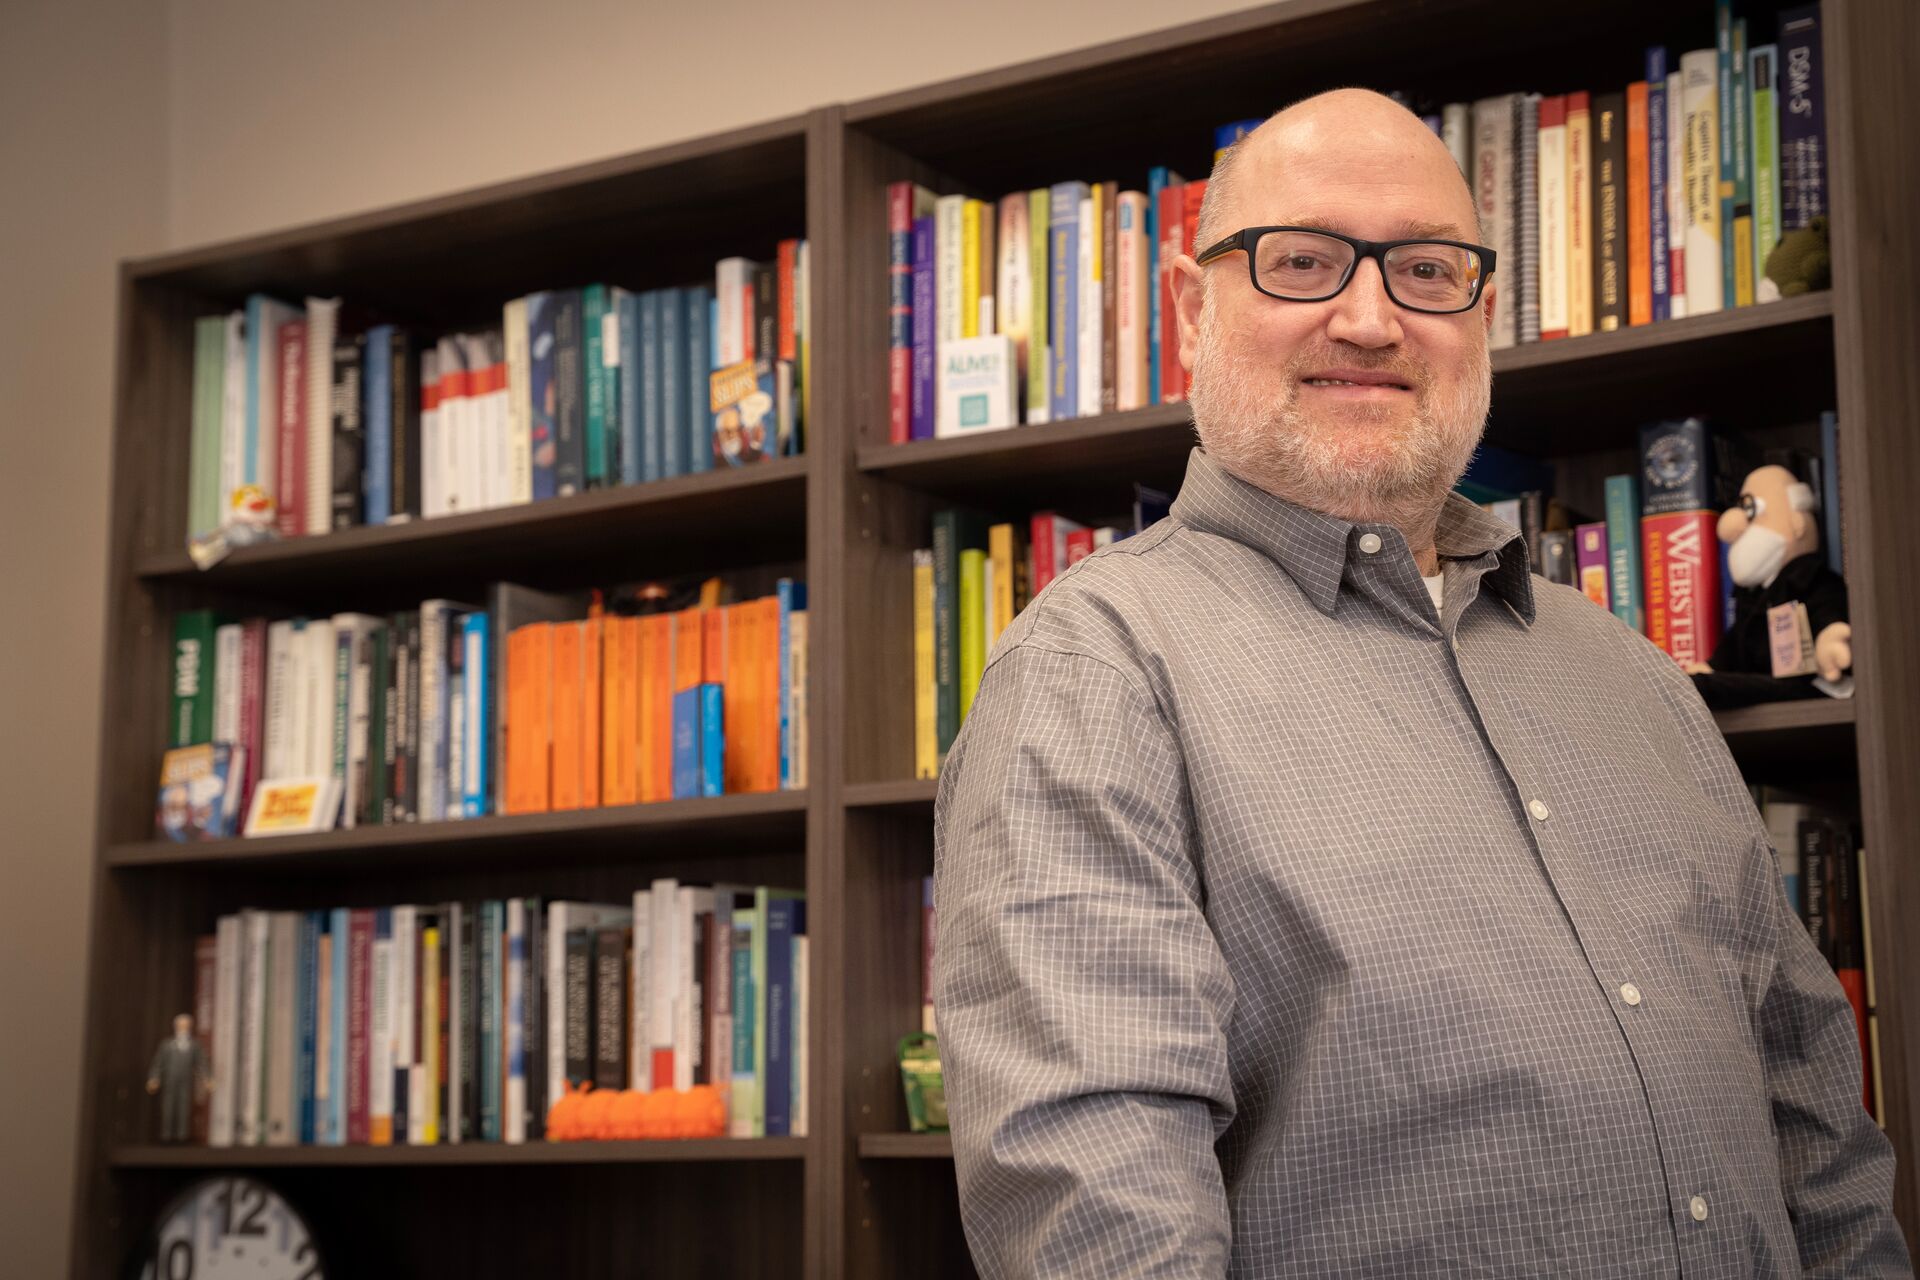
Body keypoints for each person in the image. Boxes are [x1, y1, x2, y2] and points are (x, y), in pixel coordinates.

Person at [931, 89, 1910, 1278]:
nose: (1369, 317)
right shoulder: (1097, 672)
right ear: (1194, 303)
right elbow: (1096, 1223)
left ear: (1481, 313)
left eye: (1428, 271)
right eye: (1301, 261)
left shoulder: (1638, 680)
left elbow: (1817, 1125)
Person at [146, 1012, 211, 1144]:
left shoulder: (194, 1046)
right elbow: (158, 1063)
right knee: (168, 1108)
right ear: (176, 1027)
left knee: (184, 1109)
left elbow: (201, 1063)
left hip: (186, 1082)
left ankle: (182, 1137)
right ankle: (166, 1135)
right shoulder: (167, 1045)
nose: (183, 1029)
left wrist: (207, 1078)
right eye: (181, 1026)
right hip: (170, 1082)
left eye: (186, 1026)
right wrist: (154, 1078)